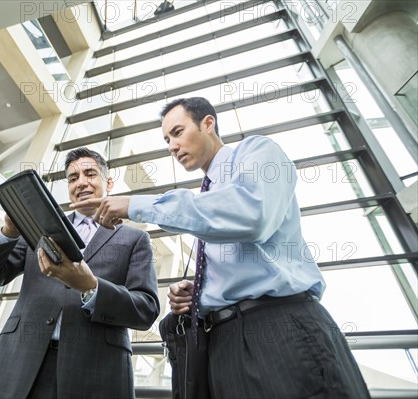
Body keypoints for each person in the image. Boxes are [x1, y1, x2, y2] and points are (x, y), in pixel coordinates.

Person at [72, 97, 371, 398]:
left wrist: (136, 205)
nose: (172, 146)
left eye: (177, 132)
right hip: (224, 345)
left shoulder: (257, 152)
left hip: (280, 328)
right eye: (166, 140)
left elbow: (252, 215)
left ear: (208, 124)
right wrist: (200, 291)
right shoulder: (207, 198)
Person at [0, 148, 160, 398]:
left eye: (90, 174)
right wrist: (10, 231)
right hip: (18, 362)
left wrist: (92, 287)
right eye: (73, 178)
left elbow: (146, 310)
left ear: (108, 182)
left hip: (94, 370)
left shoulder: (136, 239)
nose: (81, 183)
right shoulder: (37, 227)